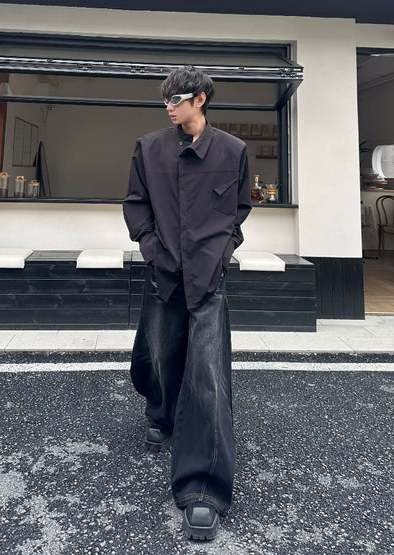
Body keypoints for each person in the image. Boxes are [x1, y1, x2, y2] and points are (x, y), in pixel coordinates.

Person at [123, 65, 251, 541]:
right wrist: (151, 250)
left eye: (176, 99)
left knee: (207, 376)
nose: (169, 107)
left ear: (200, 99)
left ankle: (203, 487)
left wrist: (224, 251)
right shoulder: (148, 147)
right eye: (165, 100)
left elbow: (239, 210)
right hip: (163, 272)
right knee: (159, 354)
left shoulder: (233, 150)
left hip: (209, 278)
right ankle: (160, 412)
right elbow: (136, 204)